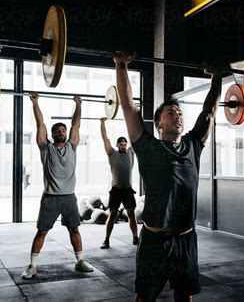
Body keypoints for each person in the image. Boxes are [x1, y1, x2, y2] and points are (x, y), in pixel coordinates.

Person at [114, 52, 222, 301]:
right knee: (144, 298)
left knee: (184, 297)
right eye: (171, 113)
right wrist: (121, 66)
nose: (178, 116)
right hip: (154, 240)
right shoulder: (147, 146)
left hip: (185, 240)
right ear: (158, 124)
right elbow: (128, 106)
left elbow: (209, 112)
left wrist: (217, 79)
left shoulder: (193, 146)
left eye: (180, 113)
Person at [21, 92, 93, 279]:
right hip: (50, 198)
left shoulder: (72, 146)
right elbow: (40, 124)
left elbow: (76, 124)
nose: (62, 132)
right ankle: (32, 266)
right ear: (52, 135)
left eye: (64, 130)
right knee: (42, 231)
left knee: (74, 230)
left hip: (69, 197)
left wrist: (78, 104)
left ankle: (79, 261)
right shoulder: (46, 148)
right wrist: (35, 103)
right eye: (58, 131)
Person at [99, 117, 138, 248]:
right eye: (120, 144)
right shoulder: (111, 153)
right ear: (117, 145)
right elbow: (105, 138)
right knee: (112, 215)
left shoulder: (131, 152)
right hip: (115, 190)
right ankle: (106, 240)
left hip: (127, 190)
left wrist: (134, 119)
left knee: (131, 215)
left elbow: (136, 134)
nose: (123, 146)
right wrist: (102, 123)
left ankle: (135, 238)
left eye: (124, 144)